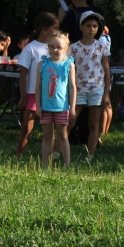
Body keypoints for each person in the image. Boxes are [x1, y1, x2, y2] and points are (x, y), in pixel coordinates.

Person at [15, 12, 59, 155]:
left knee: (49, 129)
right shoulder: (30, 48)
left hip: (50, 94)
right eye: (55, 28)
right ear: (44, 29)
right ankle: (18, 155)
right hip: (33, 94)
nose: (57, 31)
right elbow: (23, 74)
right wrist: (23, 96)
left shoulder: (55, 48)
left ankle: (50, 157)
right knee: (27, 127)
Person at [69, 11, 110, 161]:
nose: (92, 29)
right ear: (81, 27)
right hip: (78, 88)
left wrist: (106, 93)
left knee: (93, 123)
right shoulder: (73, 47)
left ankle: (90, 155)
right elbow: (68, 68)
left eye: (95, 26)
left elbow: (106, 70)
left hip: (97, 89)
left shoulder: (101, 46)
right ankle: (58, 151)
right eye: (88, 25)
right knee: (70, 121)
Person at [35, 31, 76, 167]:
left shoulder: (68, 65)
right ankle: (46, 165)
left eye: (58, 47)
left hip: (62, 108)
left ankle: (67, 164)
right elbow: (38, 87)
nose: (55, 49)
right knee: (47, 136)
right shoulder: (42, 64)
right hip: (46, 107)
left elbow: (72, 87)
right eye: (51, 46)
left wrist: (73, 107)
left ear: (66, 49)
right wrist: (38, 106)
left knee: (63, 136)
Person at [99, 25, 113, 140]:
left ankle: (102, 131)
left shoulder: (101, 39)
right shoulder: (107, 37)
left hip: (103, 72)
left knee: (104, 104)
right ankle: (105, 131)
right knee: (107, 103)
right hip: (107, 71)